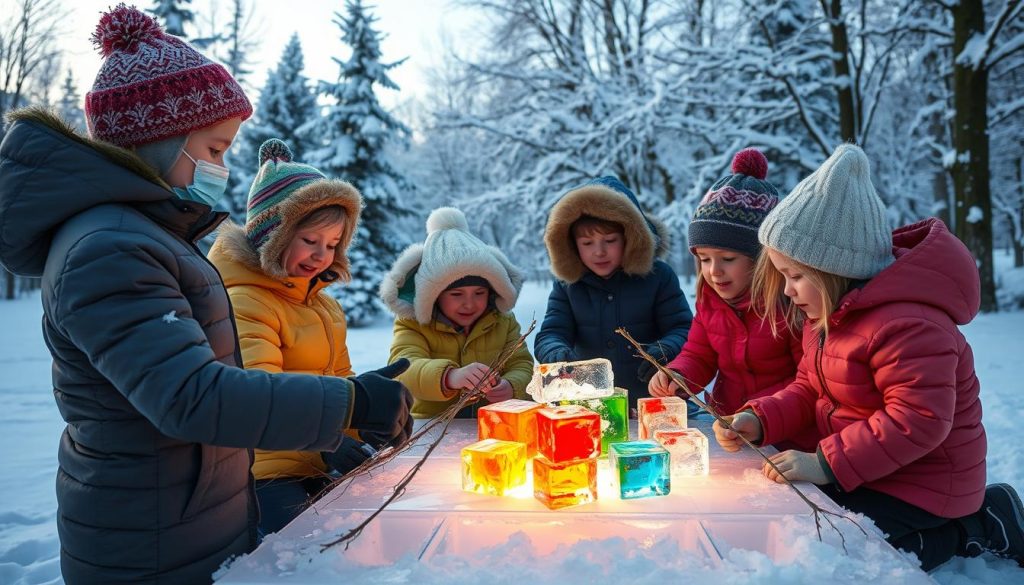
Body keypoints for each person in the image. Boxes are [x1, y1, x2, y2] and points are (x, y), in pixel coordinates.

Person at [0, 6, 410, 583]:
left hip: (184, 517)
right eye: (215, 149)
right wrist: (350, 405)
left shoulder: (142, 236)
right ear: (161, 139)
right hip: (148, 542)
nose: (221, 166)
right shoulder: (110, 248)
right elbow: (190, 397)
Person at [712, 144, 1024, 571]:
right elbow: (808, 388)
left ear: (835, 269)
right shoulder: (827, 315)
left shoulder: (910, 326)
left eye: (796, 276)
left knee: (859, 549)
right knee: (808, 522)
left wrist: (825, 462)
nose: (786, 291)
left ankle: (982, 523)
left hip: (928, 482)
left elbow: (918, 420)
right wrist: (762, 417)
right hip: (875, 469)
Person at [207, 138, 383, 534]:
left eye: (333, 244)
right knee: (299, 552)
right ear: (274, 235)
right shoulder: (246, 302)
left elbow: (340, 382)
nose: (323, 255)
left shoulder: (324, 306)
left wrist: (366, 419)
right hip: (266, 472)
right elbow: (260, 394)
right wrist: (329, 442)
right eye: (310, 241)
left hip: (320, 458)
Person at [648, 149, 810, 450]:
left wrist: (757, 414)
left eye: (728, 258)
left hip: (788, 439)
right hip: (730, 430)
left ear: (763, 257)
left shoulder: (790, 305)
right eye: (704, 259)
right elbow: (699, 353)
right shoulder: (710, 302)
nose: (714, 271)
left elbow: (808, 381)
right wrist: (679, 375)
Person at [533, 176, 693, 411]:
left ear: (629, 237)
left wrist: (665, 350)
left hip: (652, 400)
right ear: (571, 245)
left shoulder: (658, 276)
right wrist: (556, 352)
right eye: (587, 243)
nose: (599, 252)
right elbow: (551, 332)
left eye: (610, 240)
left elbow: (683, 329)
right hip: (589, 404)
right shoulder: (568, 285)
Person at [379, 207, 535, 418]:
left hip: (494, 426)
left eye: (479, 293)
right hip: (429, 428)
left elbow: (521, 363)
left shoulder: (502, 322)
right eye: (456, 294)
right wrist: (449, 377)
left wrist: (512, 385)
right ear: (434, 296)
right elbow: (403, 369)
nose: (469, 304)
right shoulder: (412, 324)